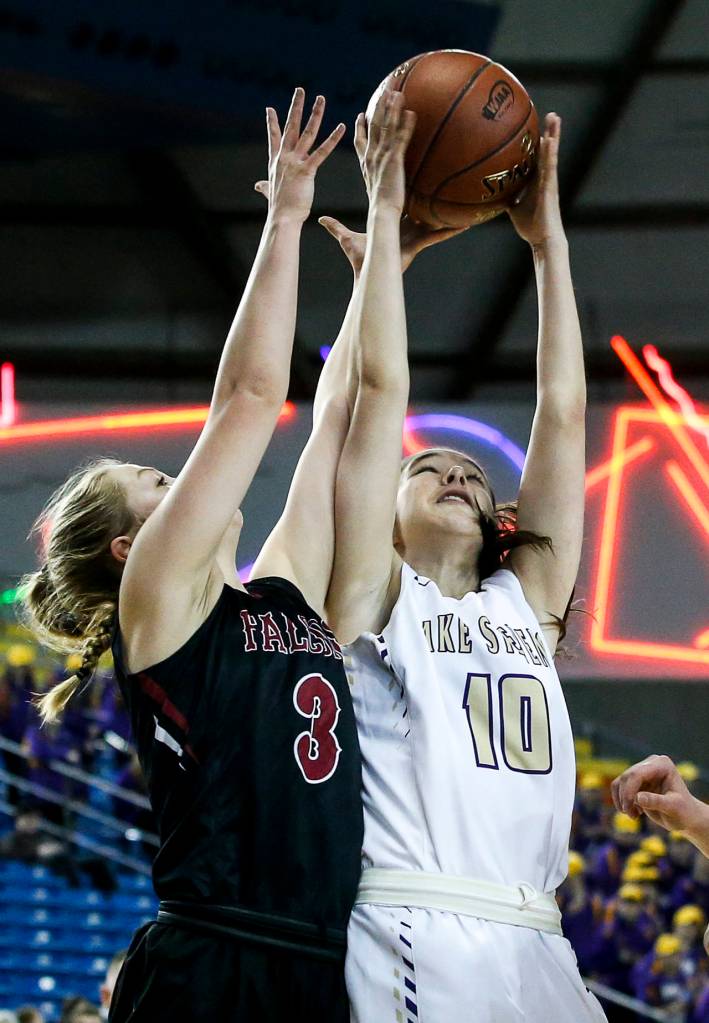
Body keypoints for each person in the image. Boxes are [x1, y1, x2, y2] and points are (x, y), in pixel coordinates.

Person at [20, 88, 362, 1022]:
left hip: (325, 961)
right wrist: (285, 217)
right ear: (131, 547)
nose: (182, 479)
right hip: (217, 954)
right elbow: (252, 397)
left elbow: (331, 427)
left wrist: (385, 281)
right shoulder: (161, 600)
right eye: (157, 482)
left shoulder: (279, 599)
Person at [323, 102, 606, 1019]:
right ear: (387, 517)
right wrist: (384, 224)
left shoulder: (524, 603)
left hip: (540, 938)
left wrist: (545, 242)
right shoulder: (371, 589)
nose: (451, 471)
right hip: (413, 923)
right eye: (424, 468)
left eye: (471, 473)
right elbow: (379, 391)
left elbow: (562, 413)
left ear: (498, 520)